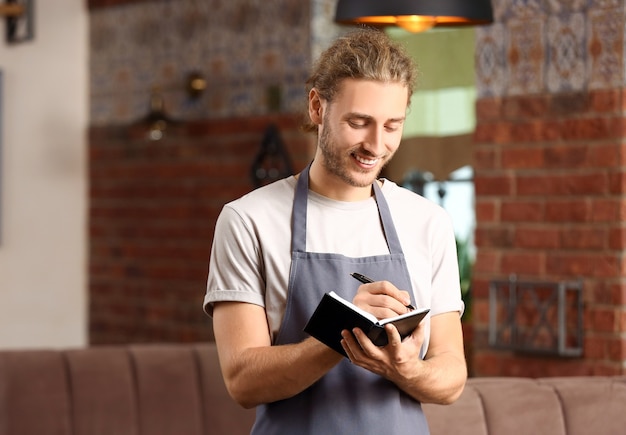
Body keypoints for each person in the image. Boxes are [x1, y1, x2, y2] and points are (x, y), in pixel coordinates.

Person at [203, 27, 467, 434]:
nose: (376, 145)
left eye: (392, 125)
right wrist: (344, 330)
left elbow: (451, 378)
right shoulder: (248, 221)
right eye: (359, 122)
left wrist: (406, 368)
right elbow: (242, 380)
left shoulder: (426, 221)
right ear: (317, 108)